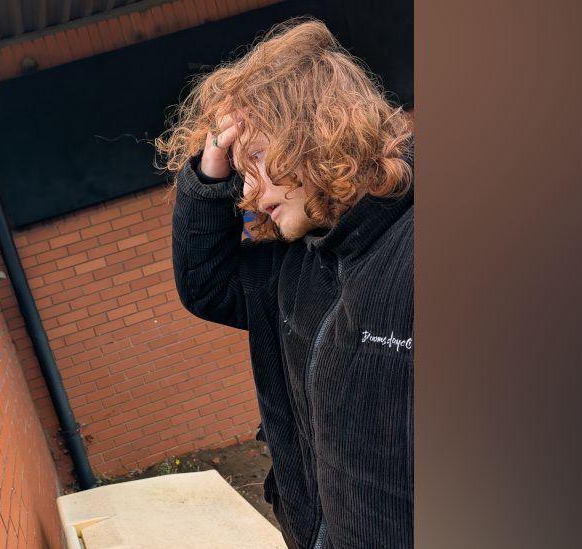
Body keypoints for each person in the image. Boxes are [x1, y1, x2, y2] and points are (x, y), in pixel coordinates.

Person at [157, 18, 414, 549]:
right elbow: (207, 285)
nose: (247, 192)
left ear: (316, 130)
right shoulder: (299, 263)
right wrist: (210, 176)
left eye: (253, 159)